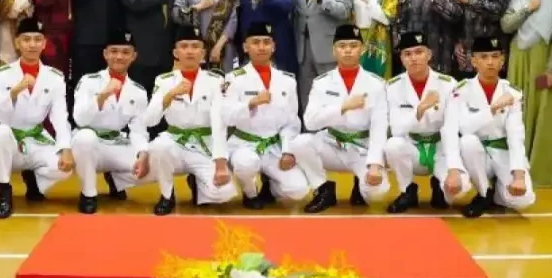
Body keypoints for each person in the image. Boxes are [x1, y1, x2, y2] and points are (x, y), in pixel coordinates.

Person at [289, 25, 390, 213]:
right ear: (334, 51)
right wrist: (343, 107)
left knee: (377, 192)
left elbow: (379, 126)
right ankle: (324, 188)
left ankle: (360, 184)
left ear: (362, 49)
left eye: (353, 45)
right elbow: (310, 121)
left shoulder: (376, 84)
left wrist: (375, 164)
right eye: (342, 46)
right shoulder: (322, 82)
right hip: (331, 144)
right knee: (300, 143)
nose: (348, 50)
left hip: (362, 148)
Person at [142, 25, 237, 215]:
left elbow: (219, 123)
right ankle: (167, 195)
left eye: (195, 46)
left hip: (204, 144)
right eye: (184, 46)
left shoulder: (215, 80)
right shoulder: (164, 80)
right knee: (159, 148)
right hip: (175, 142)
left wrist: (220, 164)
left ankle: (197, 184)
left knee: (223, 193)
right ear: (176, 52)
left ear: (203, 52)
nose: (190, 51)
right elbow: (150, 120)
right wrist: (169, 95)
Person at [0, 18, 75, 216]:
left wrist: (65, 148)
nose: (32, 45)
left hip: (36, 137)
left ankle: (33, 180)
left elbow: (60, 116)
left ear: (44, 44)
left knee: (64, 168)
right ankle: (4, 192)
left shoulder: (54, 77)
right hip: (8, 140)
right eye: (26, 39)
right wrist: (14, 91)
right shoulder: (0, 74)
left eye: (37, 40)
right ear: (17, 43)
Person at [221, 23, 308, 209]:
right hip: (244, 144)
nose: (261, 47)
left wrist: (287, 151)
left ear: (273, 46)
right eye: (256, 42)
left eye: (266, 42)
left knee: (298, 190)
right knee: (246, 164)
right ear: (245, 47)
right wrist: (250, 104)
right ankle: (250, 192)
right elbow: (226, 116)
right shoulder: (233, 79)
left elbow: (292, 122)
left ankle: (269, 187)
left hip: (273, 146)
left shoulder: (287, 80)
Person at [449, 36, 535, 218]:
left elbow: (516, 135)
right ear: (474, 61)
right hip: (476, 154)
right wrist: (493, 108)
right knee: (467, 141)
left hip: (502, 151)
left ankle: (497, 191)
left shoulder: (512, 92)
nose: (490, 62)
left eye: (495, 56)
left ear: (502, 60)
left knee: (523, 200)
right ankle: (483, 192)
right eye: (484, 57)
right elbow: (465, 127)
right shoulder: (461, 89)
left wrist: (518, 176)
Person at [500, 0, 552, 188]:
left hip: (543, 60)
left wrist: (551, 67)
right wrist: (527, 8)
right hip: (519, 58)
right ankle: (514, 168)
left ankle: (538, 171)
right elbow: (506, 25)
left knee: (542, 111)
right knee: (517, 110)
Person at [381, 32, 465, 213]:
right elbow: (396, 128)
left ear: (429, 54)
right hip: (412, 147)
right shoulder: (392, 87)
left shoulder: (449, 84)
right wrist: (419, 110)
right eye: (407, 54)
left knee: (459, 191)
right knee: (393, 145)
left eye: (419, 52)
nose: (414, 58)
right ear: (401, 58)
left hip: (440, 147)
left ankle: (439, 185)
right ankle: (407, 190)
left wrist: (454, 168)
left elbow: (452, 129)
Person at [70, 30, 151, 213]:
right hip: (89, 146)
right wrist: (104, 94)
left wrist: (142, 153)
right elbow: (80, 119)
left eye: (125, 52)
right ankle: (88, 194)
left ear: (134, 56)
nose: (119, 57)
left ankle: (116, 180)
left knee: (154, 168)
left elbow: (138, 129)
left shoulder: (138, 91)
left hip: (116, 143)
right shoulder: (89, 81)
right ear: (105, 54)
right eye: (114, 51)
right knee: (85, 137)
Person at [290, 0, 353, 114]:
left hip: (327, 48)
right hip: (302, 49)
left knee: (332, 97)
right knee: (306, 97)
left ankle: (332, 136)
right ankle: (308, 136)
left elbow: (343, 11)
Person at [351, 0, 396, 80]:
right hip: (357, 38)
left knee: (379, 79)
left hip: (379, 39)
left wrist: (370, 1)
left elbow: (388, 19)